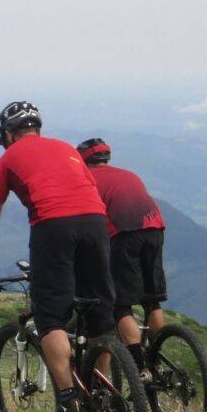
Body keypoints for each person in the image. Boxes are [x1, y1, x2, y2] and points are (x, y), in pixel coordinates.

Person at [0, 101, 114, 412]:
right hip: (96, 222)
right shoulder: (65, 149)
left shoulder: (6, 161)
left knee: (51, 319)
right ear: (37, 128)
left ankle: (68, 403)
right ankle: (104, 393)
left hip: (53, 226)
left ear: (7, 133)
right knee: (101, 313)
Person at [75, 137, 166, 376]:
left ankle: (139, 369)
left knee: (120, 304)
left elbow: (87, 222)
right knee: (152, 299)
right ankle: (155, 362)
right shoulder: (130, 174)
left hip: (125, 233)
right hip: (155, 228)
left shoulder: (87, 179)